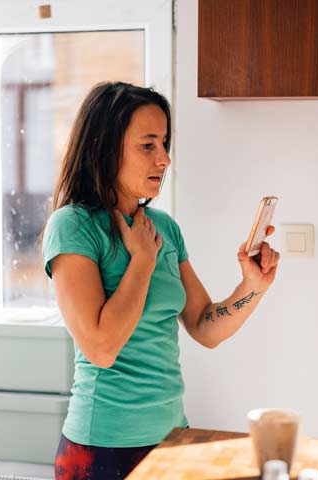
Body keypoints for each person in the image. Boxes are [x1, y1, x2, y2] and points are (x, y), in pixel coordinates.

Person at [41, 81, 280, 480]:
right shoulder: (72, 227)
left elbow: (205, 326)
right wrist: (141, 260)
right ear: (103, 146)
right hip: (101, 447)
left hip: (172, 435)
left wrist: (253, 287)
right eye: (148, 145)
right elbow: (100, 347)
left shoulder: (164, 228)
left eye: (164, 143)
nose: (164, 159)